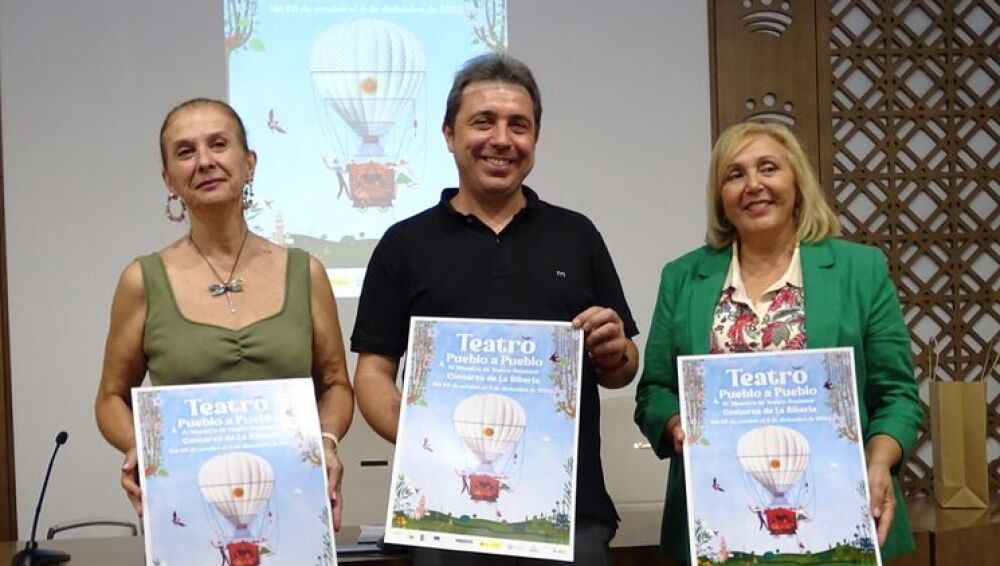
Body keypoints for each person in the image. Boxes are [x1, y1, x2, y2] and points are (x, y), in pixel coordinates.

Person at [351, 53, 640, 565]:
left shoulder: (577, 235)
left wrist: (616, 352)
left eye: (518, 125)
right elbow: (373, 376)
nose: (501, 140)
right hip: (443, 513)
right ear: (449, 134)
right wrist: (430, 443)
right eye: (483, 122)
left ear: (535, 138)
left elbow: (621, 370)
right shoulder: (404, 244)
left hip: (567, 514)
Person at [633, 121, 922, 563]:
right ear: (720, 197)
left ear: (797, 182)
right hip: (717, 524)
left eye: (768, 168)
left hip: (842, 516)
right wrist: (676, 426)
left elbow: (897, 395)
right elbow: (655, 391)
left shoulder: (859, 270)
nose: (753, 185)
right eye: (735, 175)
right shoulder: (683, 277)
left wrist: (880, 460)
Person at [94, 98, 353, 530]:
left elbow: (336, 385)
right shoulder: (141, 280)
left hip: (295, 503)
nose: (204, 161)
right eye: (185, 151)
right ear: (168, 180)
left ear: (249, 163)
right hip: (186, 510)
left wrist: (325, 442)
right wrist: (142, 446)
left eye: (218, 144)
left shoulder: (306, 272)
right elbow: (110, 398)